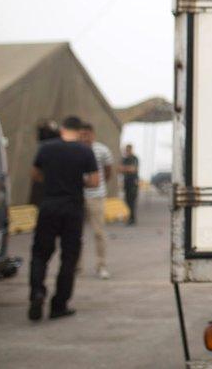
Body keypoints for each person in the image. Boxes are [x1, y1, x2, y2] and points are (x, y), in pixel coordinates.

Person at [29, 115, 99, 321]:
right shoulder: (85, 151)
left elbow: (35, 174)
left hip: (49, 206)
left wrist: (51, 181)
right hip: (72, 209)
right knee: (69, 258)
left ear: (62, 129)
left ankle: (37, 293)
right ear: (79, 131)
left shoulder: (46, 148)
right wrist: (77, 182)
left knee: (40, 254)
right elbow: (94, 181)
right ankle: (59, 304)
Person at [78, 123, 113, 279]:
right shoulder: (75, 150)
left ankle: (101, 265)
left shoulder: (102, 150)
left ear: (93, 134)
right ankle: (77, 266)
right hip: (78, 196)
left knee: (98, 232)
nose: (84, 137)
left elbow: (107, 171)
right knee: (76, 233)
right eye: (82, 134)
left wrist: (97, 184)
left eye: (87, 134)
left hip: (96, 196)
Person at [120, 144, 140, 225]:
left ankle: (132, 219)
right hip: (126, 182)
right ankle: (129, 217)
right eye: (126, 150)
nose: (127, 151)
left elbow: (133, 169)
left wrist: (125, 168)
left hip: (133, 183)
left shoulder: (134, 158)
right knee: (127, 201)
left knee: (132, 201)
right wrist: (127, 168)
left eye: (128, 150)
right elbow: (119, 169)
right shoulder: (125, 159)